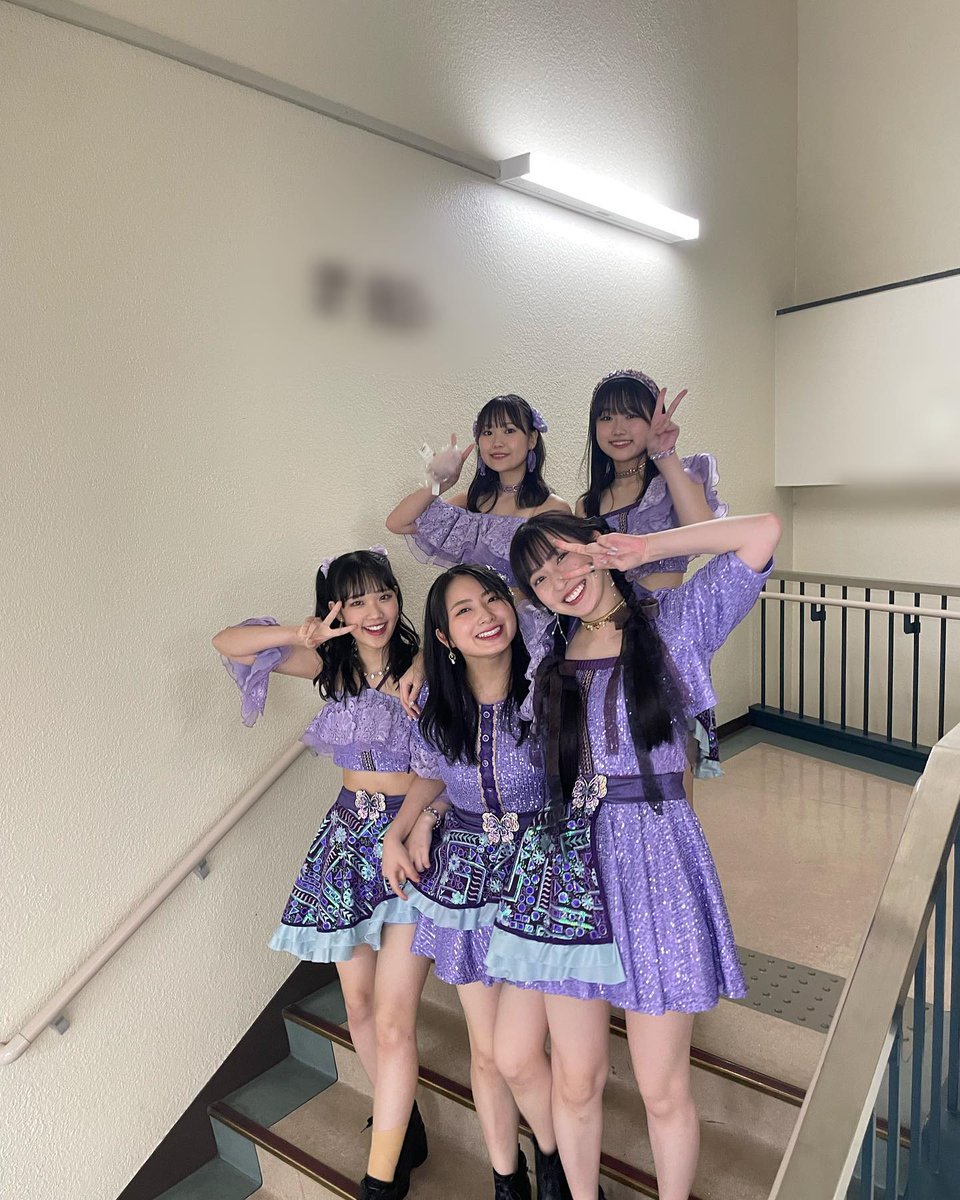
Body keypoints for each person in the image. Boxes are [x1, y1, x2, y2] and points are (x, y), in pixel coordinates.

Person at [486, 511, 781, 1200]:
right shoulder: (547, 650)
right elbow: (470, 630)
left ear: (598, 546)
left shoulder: (675, 623)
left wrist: (647, 547)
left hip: (657, 863)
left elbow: (762, 532)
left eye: (566, 556)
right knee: (575, 1080)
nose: (560, 580)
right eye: (539, 577)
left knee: (661, 1087)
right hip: (568, 870)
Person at [212, 548, 430, 1200]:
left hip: (410, 837)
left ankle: (384, 1172)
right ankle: (403, 1122)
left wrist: (417, 822)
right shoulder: (330, 668)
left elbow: (454, 758)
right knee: (357, 1004)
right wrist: (296, 633)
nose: (374, 611)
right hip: (346, 839)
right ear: (337, 609)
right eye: (356, 601)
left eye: (383, 594)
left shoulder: (427, 667)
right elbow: (227, 642)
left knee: (392, 1016)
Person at [381, 565, 570, 1200]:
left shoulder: (548, 685)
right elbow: (435, 777)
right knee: (486, 1051)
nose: (485, 615)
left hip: (542, 873)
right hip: (465, 878)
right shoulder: (437, 707)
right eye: (463, 610)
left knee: (522, 1053)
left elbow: (546, 602)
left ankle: (557, 1163)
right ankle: (507, 1181)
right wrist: (404, 828)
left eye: (492, 599)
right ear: (443, 637)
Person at [580, 368, 728, 776]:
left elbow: (709, 535)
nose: (618, 428)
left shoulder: (678, 479)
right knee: (621, 760)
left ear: (653, 420)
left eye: (632, 416)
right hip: (608, 643)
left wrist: (666, 455)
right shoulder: (587, 504)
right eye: (606, 417)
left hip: (669, 637)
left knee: (674, 763)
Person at [386, 394, 570, 585]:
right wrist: (442, 484)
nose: (497, 442)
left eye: (509, 430)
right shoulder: (470, 502)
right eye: (488, 432)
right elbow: (397, 523)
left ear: (532, 438)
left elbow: (560, 579)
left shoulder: (552, 508)